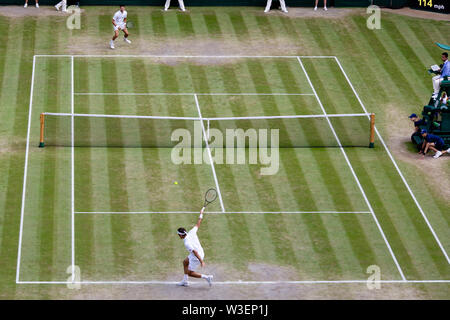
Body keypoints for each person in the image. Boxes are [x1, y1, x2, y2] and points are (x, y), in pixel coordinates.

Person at [176, 207, 213, 287]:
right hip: (199, 252)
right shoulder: (191, 232)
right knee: (185, 262)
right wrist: (201, 214)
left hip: (197, 256)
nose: (178, 236)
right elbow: (198, 223)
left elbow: (195, 252)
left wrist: (201, 261)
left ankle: (207, 277)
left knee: (190, 273)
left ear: (181, 235)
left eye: (178, 235)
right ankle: (185, 281)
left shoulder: (187, 243)